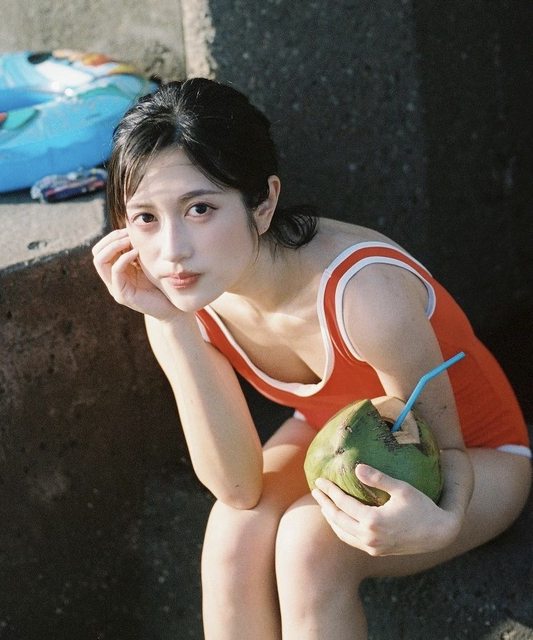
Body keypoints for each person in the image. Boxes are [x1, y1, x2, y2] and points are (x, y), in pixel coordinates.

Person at [92, 78, 531, 640]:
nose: (171, 250)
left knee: (309, 546)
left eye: (199, 208)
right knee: (232, 535)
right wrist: (174, 325)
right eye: (145, 218)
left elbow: (447, 450)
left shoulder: (364, 296)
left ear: (263, 203)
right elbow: (238, 489)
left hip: (478, 455)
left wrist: (441, 524)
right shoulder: (178, 298)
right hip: (333, 433)